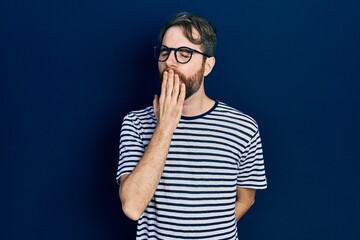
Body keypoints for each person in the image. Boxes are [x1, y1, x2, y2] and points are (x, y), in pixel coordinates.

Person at [116, 12, 267, 239]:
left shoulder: (243, 127)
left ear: (208, 66)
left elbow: (246, 199)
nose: (169, 62)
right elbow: (132, 207)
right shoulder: (136, 123)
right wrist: (165, 125)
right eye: (165, 52)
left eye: (184, 53)